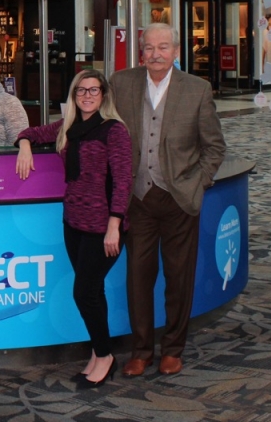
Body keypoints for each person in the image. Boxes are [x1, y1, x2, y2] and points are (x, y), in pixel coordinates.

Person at [110, 23, 226, 378]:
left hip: (179, 199)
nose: (155, 54)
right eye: (149, 48)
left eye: (163, 47)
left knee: (179, 277)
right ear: (141, 51)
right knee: (138, 279)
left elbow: (214, 146)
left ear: (176, 50)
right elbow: (98, 125)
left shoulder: (197, 89)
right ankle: (141, 351)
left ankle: (173, 348)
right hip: (137, 199)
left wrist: (197, 184)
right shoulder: (121, 83)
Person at [15, 69, 132, 388]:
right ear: (74, 95)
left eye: (94, 90)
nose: (87, 96)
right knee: (92, 291)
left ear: (104, 95)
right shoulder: (69, 126)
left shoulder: (114, 130)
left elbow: (123, 181)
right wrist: (24, 143)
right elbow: (32, 132)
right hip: (74, 222)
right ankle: (99, 352)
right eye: (81, 91)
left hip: (104, 226)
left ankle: (105, 356)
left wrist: (114, 225)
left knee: (84, 291)